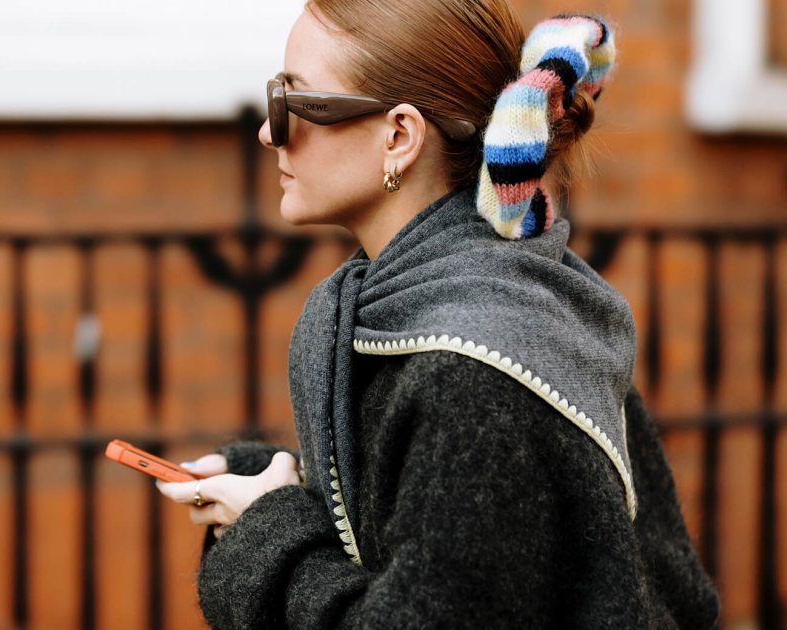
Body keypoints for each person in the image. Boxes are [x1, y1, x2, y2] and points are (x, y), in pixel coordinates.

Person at [154, 1, 721, 628]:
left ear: (399, 136)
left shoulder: (475, 370)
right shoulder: (492, 305)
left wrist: (271, 533)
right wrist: (264, 487)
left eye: (293, 101)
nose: (269, 131)